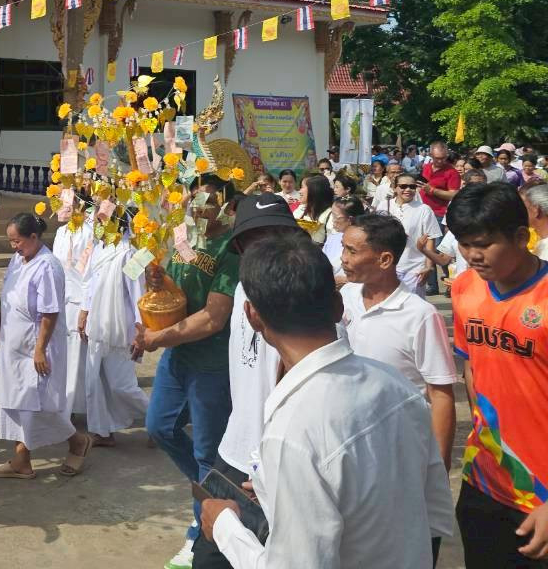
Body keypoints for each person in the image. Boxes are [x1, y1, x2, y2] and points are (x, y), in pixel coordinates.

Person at [201, 229, 453, 567]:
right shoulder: (396, 385)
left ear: (253, 316)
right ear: (337, 307)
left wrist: (224, 527)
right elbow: (431, 509)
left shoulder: (293, 432)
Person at [190, 193, 299, 569]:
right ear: (239, 246)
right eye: (254, 239)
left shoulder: (304, 300)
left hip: (275, 464)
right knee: (207, 557)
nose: (264, 247)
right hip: (235, 450)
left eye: (276, 235)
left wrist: (277, 471)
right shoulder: (240, 291)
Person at [135, 183, 237, 569]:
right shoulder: (181, 235)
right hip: (178, 356)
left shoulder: (231, 249)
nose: (197, 205)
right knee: (159, 426)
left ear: (224, 203)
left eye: (207, 198)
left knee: (207, 452)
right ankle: (215, 492)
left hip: (211, 362)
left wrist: (159, 337)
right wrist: (153, 278)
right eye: (192, 197)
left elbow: (214, 316)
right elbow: (160, 282)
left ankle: (201, 533)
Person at [446, 183, 548, 566]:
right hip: (485, 479)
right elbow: (471, 365)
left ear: (521, 237)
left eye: (484, 244)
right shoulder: (464, 289)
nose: (473, 255)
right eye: (463, 243)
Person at [339, 214, 459, 478]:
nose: (343, 258)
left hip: (401, 451)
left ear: (384, 260)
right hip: (351, 445)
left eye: (352, 251)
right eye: (343, 248)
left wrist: (438, 466)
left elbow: (440, 394)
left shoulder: (420, 315)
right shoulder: (347, 297)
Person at [0, 212, 93, 480]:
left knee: (39, 405)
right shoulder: (18, 259)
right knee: (15, 403)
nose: (14, 246)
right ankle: (21, 461)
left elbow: (49, 312)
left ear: (34, 237)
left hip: (36, 346)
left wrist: (39, 349)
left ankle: (77, 442)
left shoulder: (47, 266)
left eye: (18, 241)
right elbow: (8, 293)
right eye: (10, 241)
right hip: (14, 344)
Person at [78, 219, 148, 447]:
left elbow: (139, 294)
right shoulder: (98, 248)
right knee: (94, 382)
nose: (97, 225)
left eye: (102, 221)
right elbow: (89, 283)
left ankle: (162, 421)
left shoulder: (132, 253)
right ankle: (102, 431)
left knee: (122, 386)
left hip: (120, 329)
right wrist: (84, 311)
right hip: (96, 325)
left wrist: (141, 331)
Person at [52, 199, 94, 420]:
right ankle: (63, 404)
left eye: (69, 200)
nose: (64, 206)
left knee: (78, 356)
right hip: (61, 299)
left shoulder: (90, 232)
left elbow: (89, 273)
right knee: (63, 354)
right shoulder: (60, 232)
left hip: (80, 300)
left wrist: (86, 307)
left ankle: (74, 407)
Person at [384, 171, 445, 297]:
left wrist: (428, 266)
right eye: (403, 186)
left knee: (412, 309)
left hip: (414, 269)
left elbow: (430, 239)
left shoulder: (424, 209)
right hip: (388, 267)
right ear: (395, 188)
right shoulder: (384, 206)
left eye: (412, 186)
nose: (408, 190)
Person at [320, 194, 366, 274]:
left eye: (336, 217)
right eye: (332, 215)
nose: (332, 220)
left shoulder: (364, 242)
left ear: (350, 219)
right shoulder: (333, 238)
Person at [292, 173, 333, 244]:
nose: (299, 191)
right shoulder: (301, 209)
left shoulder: (331, 215)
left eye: (302, 187)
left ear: (314, 190)